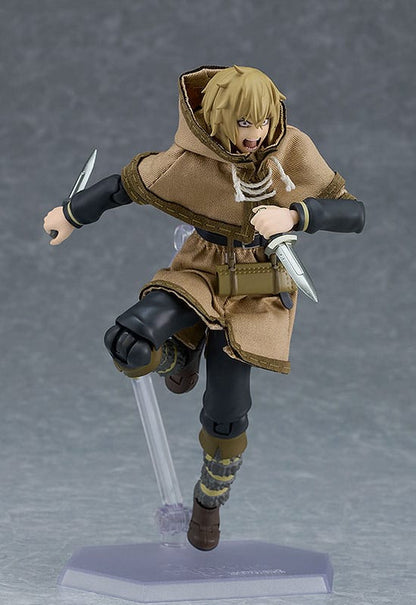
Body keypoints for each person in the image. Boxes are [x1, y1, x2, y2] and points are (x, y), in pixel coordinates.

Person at [44, 65, 365, 550]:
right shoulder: (191, 162)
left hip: (256, 289)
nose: (256, 133)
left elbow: (354, 212)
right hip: (200, 268)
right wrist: (71, 213)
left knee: (226, 416)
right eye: (243, 122)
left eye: (264, 120)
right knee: (129, 342)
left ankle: (208, 502)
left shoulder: (292, 150)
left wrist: (296, 214)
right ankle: (179, 358)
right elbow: (126, 186)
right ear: (216, 119)